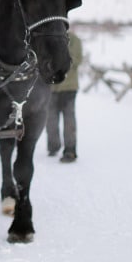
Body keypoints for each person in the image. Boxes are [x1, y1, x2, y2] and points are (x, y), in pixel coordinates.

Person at [46, 31, 83, 163]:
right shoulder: (49, 37)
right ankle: (53, 146)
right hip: (51, 88)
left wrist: (57, 60)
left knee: (69, 120)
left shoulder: (74, 40)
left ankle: (70, 151)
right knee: (50, 119)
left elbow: (76, 60)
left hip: (69, 87)